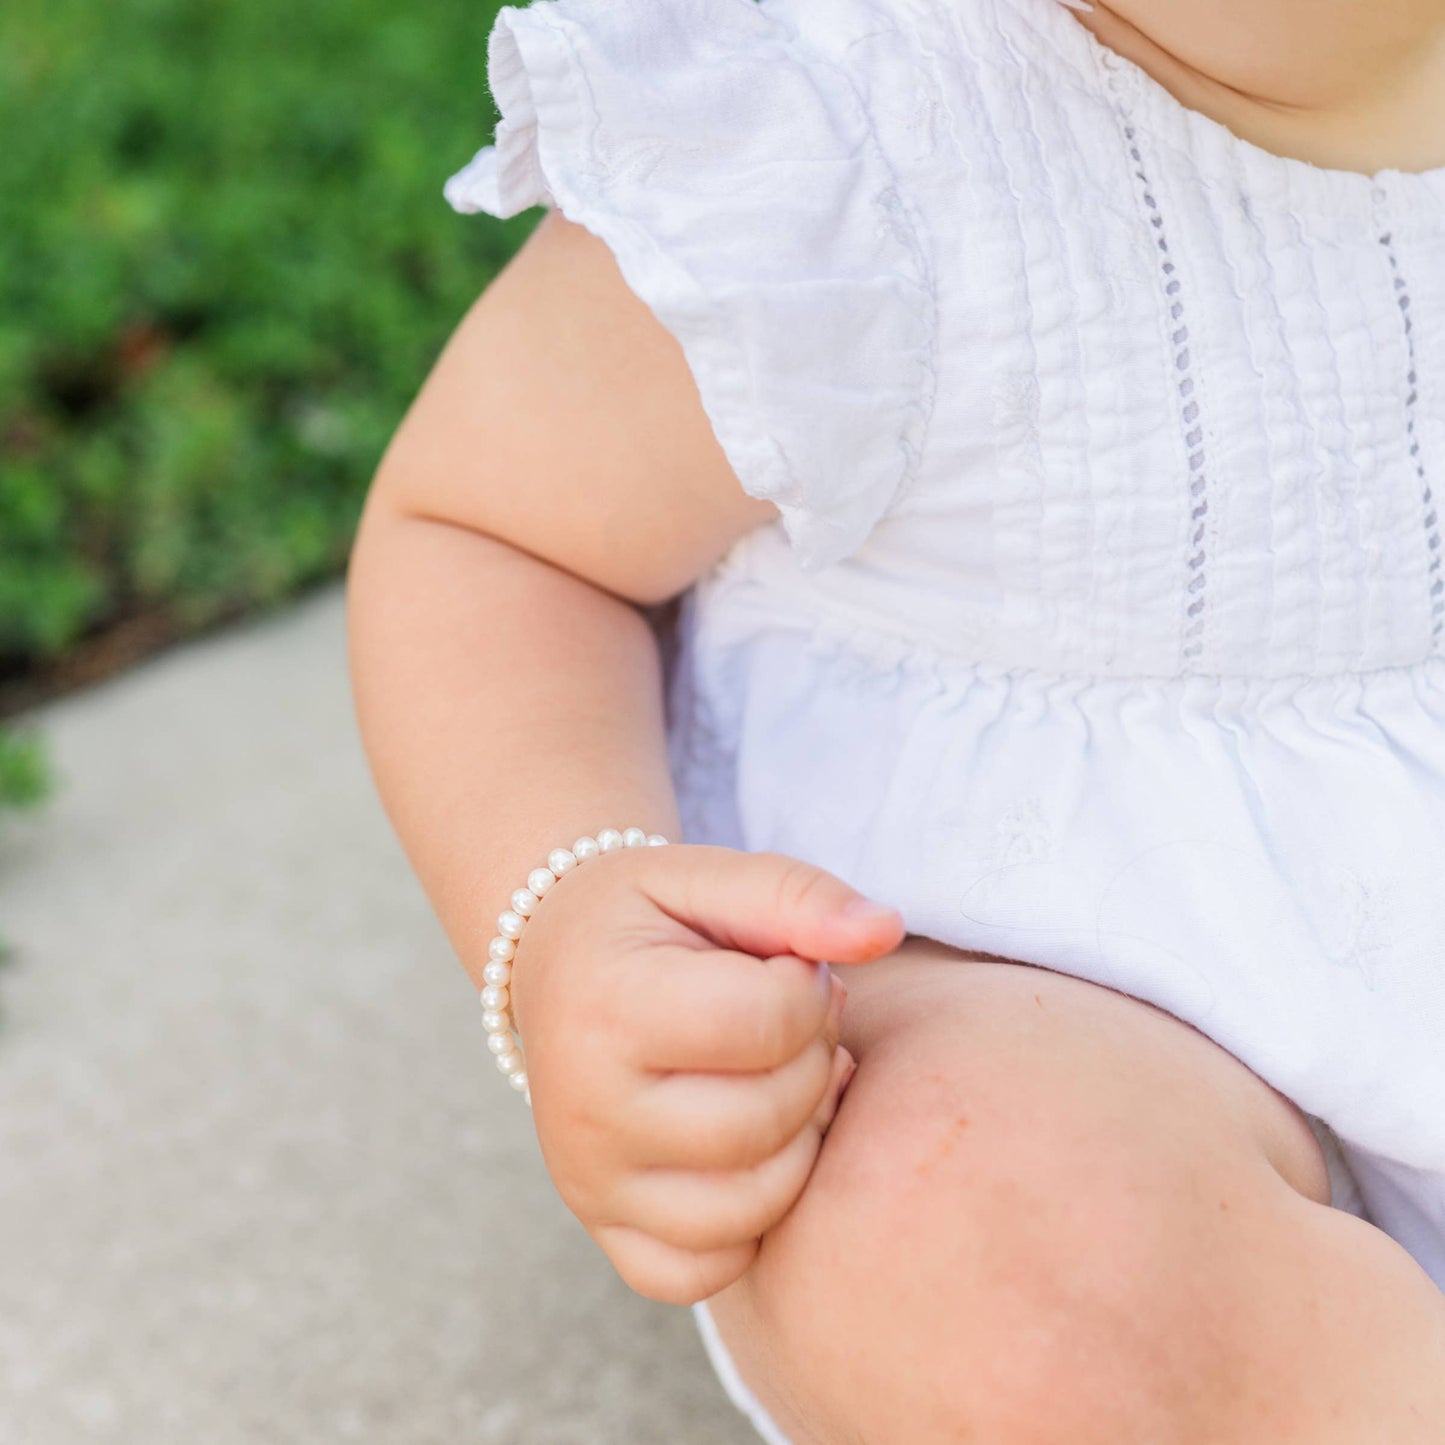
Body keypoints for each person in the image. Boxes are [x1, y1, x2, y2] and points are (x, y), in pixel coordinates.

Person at [346, 0, 1445, 1436]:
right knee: (956, 1222)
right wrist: (563, 912)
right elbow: (493, 537)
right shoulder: (855, 132)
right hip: (1058, 1018)